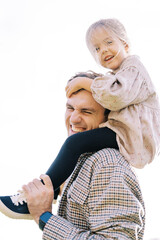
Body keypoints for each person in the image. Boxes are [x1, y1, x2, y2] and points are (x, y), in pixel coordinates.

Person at [0, 17, 160, 219]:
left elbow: (115, 95)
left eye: (109, 42)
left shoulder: (134, 68)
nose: (103, 50)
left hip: (131, 135)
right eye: (97, 49)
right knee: (76, 148)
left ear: (126, 44)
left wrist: (84, 82)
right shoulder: (120, 75)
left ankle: (43, 190)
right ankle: (55, 186)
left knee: (73, 144)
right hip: (129, 135)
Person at [22, 85, 145, 239]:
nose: (73, 118)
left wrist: (44, 218)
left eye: (86, 111)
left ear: (109, 119)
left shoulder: (107, 162)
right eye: (70, 108)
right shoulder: (81, 163)